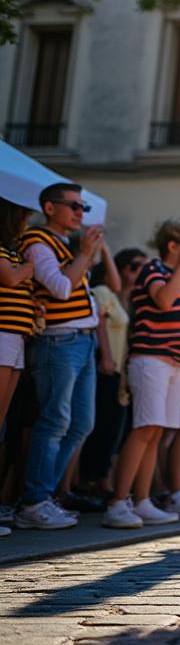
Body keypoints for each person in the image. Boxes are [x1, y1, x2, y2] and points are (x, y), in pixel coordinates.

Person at [15, 183, 112, 530]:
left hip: (80, 341)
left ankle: (42, 496)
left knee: (81, 423)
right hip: (59, 341)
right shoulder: (37, 242)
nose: (79, 213)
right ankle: (34, 500)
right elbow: (58, 289)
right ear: (49, 207)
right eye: (72, 205)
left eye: (82, 207)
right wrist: (85, 254)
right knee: (55, 420)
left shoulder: (64, 244)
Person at [102, 217, 180, 529]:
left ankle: (143, 499)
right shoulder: (154, 269)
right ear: (174, 246)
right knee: (145, 427)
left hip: (178, 363)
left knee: (158, 431)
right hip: (152, 359)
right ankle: (118, 502)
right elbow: (163, 300)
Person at [80, 249, 143, 499]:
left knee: (114, 429)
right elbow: (100, 325)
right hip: (106, 367)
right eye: (134, 266)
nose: (139, 272)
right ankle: (90, 482)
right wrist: (106, 355)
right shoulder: (104, 291)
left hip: (120, 372)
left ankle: (103, 480)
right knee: (101, 427)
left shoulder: (124, 298)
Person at [0, 198, 37, 537]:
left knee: (3, 423)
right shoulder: (8, 254)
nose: (27, 221)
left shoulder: (12, 252)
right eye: (24, 214)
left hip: (15, 337)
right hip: (2, 335)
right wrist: (30, 267)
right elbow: (11, 279)